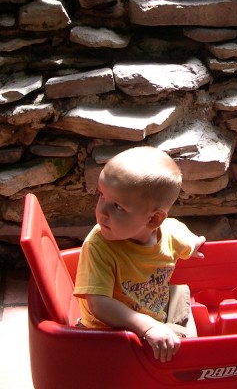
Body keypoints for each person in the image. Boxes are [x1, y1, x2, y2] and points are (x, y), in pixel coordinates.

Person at [74, 146, 205, 362]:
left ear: (154, 220)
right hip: (113, 330)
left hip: (151, 306)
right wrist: (148, 326)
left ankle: (174, 334)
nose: (102, 212)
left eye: (117, 206)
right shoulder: (99, 246)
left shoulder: (170, 231)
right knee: (185, 343)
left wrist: (195, 244)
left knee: (180, 292)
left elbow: (187, 238)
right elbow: (99, 304)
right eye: (102, 197)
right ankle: (185, 356)